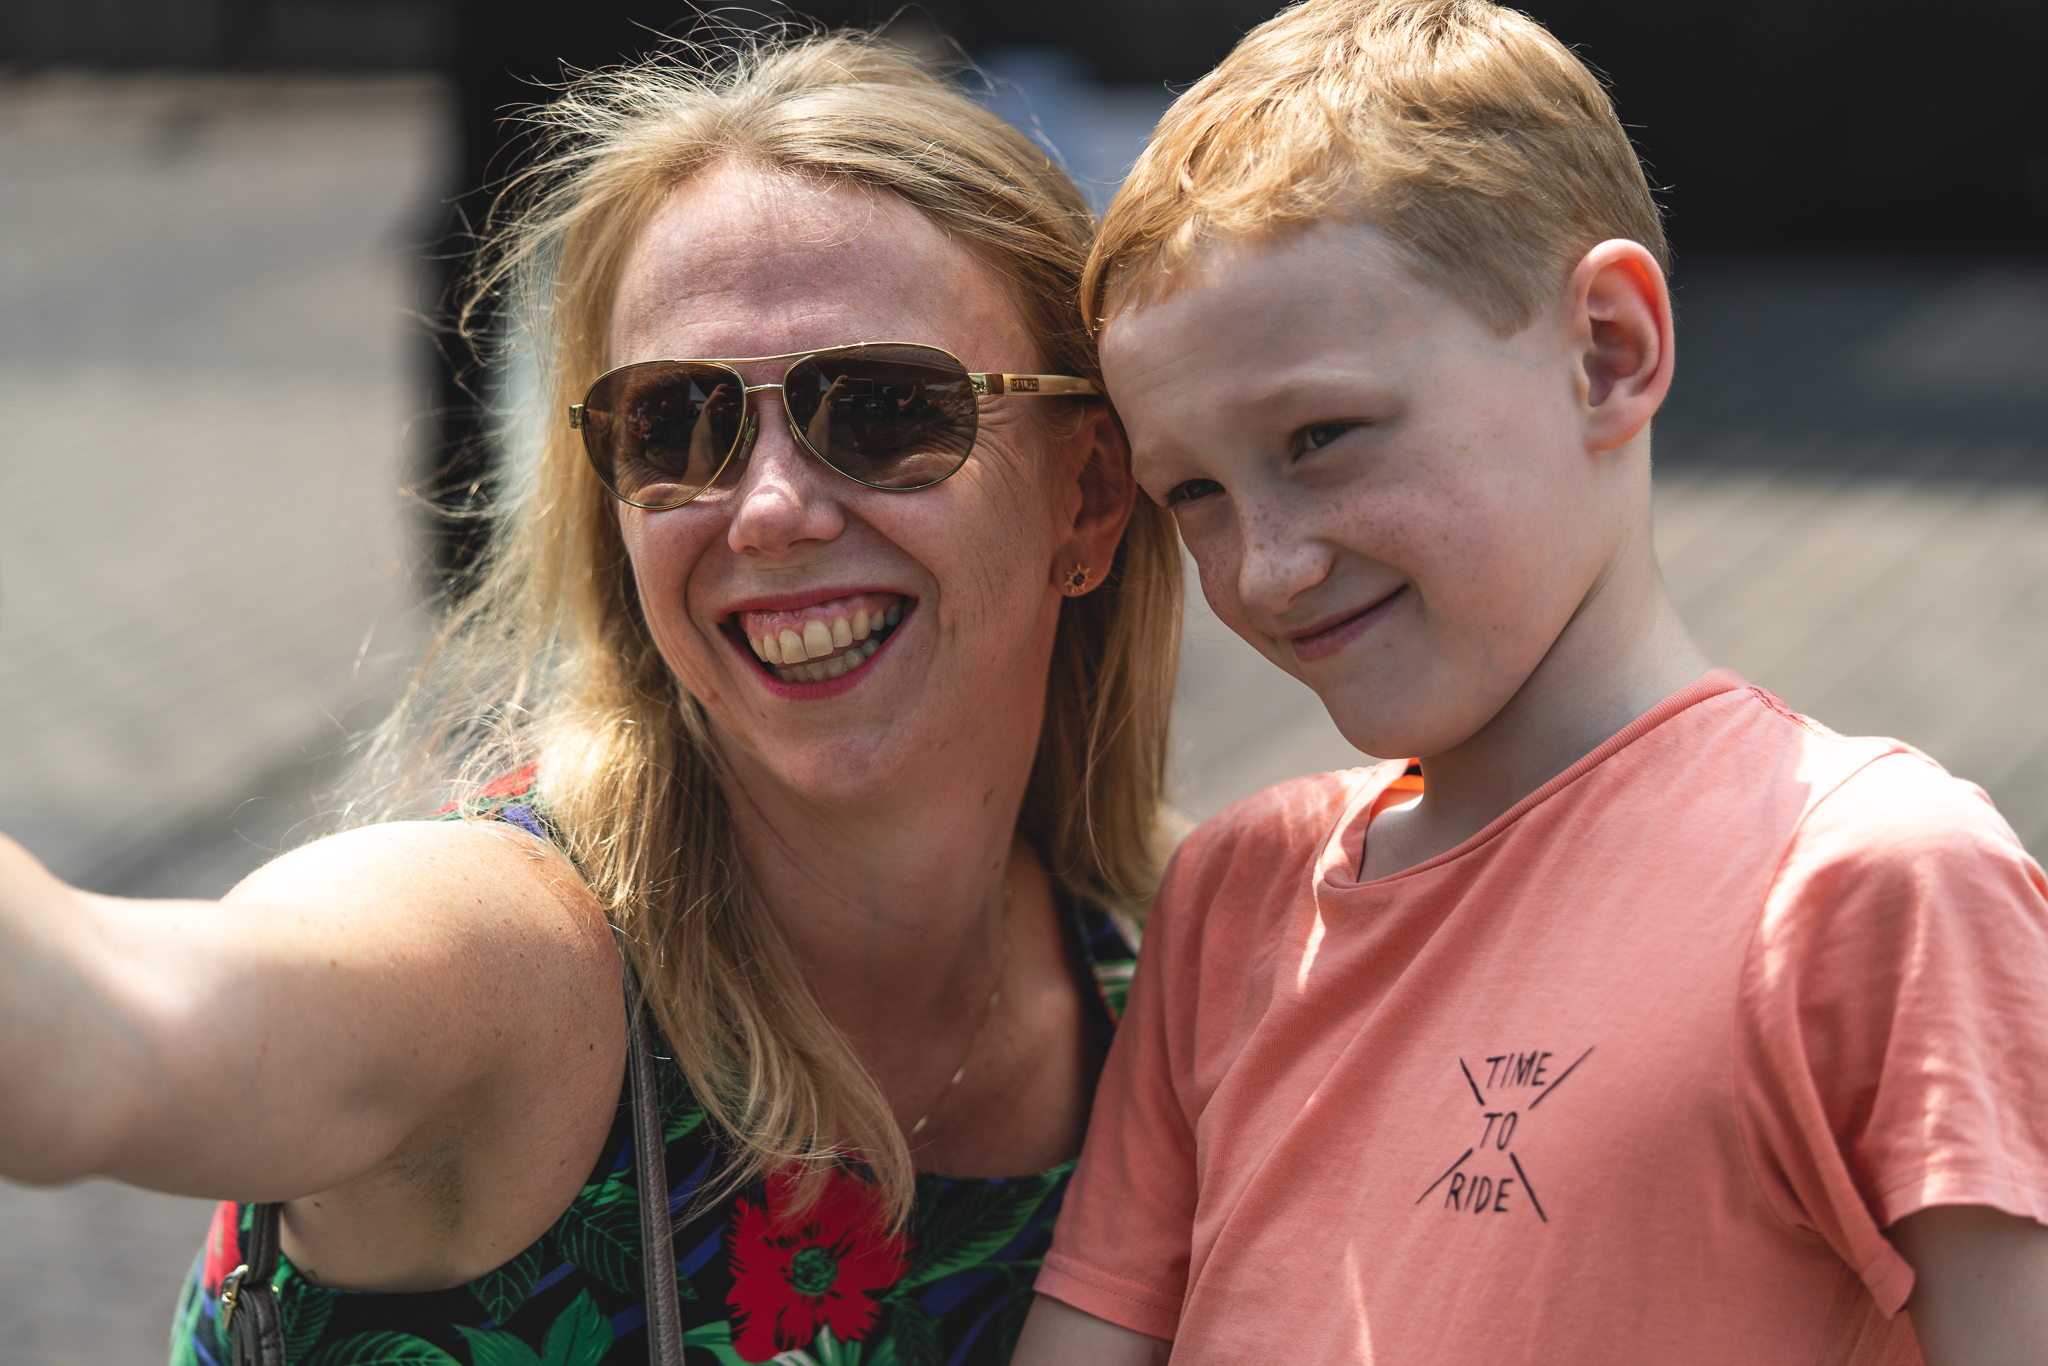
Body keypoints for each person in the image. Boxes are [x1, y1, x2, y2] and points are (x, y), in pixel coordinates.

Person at [0, 32, 1184, 1365]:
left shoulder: (1178, 980)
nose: (771, 508)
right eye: (677, 424)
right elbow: (130, 1030)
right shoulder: (512, 959)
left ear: (1088, 492)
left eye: (882, 409)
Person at [1010, 2, 2048, 1363]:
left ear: (1609, 350)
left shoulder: (1874, 883)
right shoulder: (1234, 896)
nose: (1263, 568)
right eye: (1192, 492)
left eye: (1321, 436)